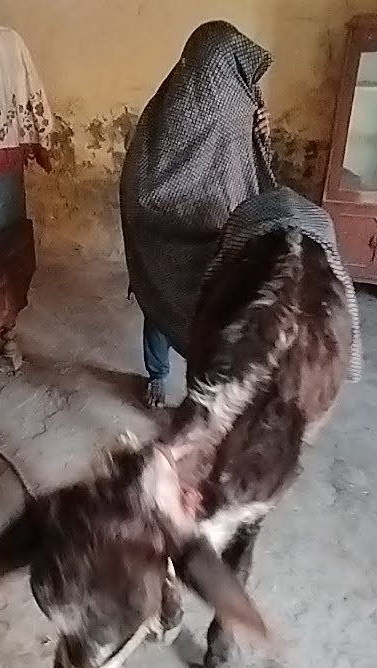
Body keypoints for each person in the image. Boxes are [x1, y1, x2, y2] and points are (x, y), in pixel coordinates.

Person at [119, 20, 276, 409]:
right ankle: (160, 374)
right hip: (175, 224)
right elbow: (147, 162)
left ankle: (198, 379)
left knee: (210, 306)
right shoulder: (180, 101)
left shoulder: (243, 100)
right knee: (162, 293)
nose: (246, 77)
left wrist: (262, 134)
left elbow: (256, 163)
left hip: (225, 220)